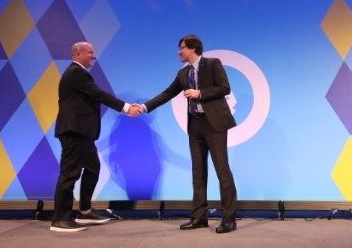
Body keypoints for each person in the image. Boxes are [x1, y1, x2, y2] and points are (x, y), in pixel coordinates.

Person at [136, 35, 238, 234]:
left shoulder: (212, 64)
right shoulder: (183, 73)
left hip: (214, 125)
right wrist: (145, 106)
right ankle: (199, 217)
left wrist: (199, 93)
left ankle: (229, 219)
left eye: (181, 48)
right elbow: (167, 93)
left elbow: (224, 88)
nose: (178, 52)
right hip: (195, 126)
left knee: (222, 172)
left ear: (192, 48)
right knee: (198, 174)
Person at [50, 41, 143, 233]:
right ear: (77, 54)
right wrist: (126, 108)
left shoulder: (79, 73)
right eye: (90, 52)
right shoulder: (75, 73)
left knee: (93, 168)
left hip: (83, 133)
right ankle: (60, 219)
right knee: (70, 174)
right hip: (74, 132)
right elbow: (98, 94)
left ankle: (84, 211)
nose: (94, 56)